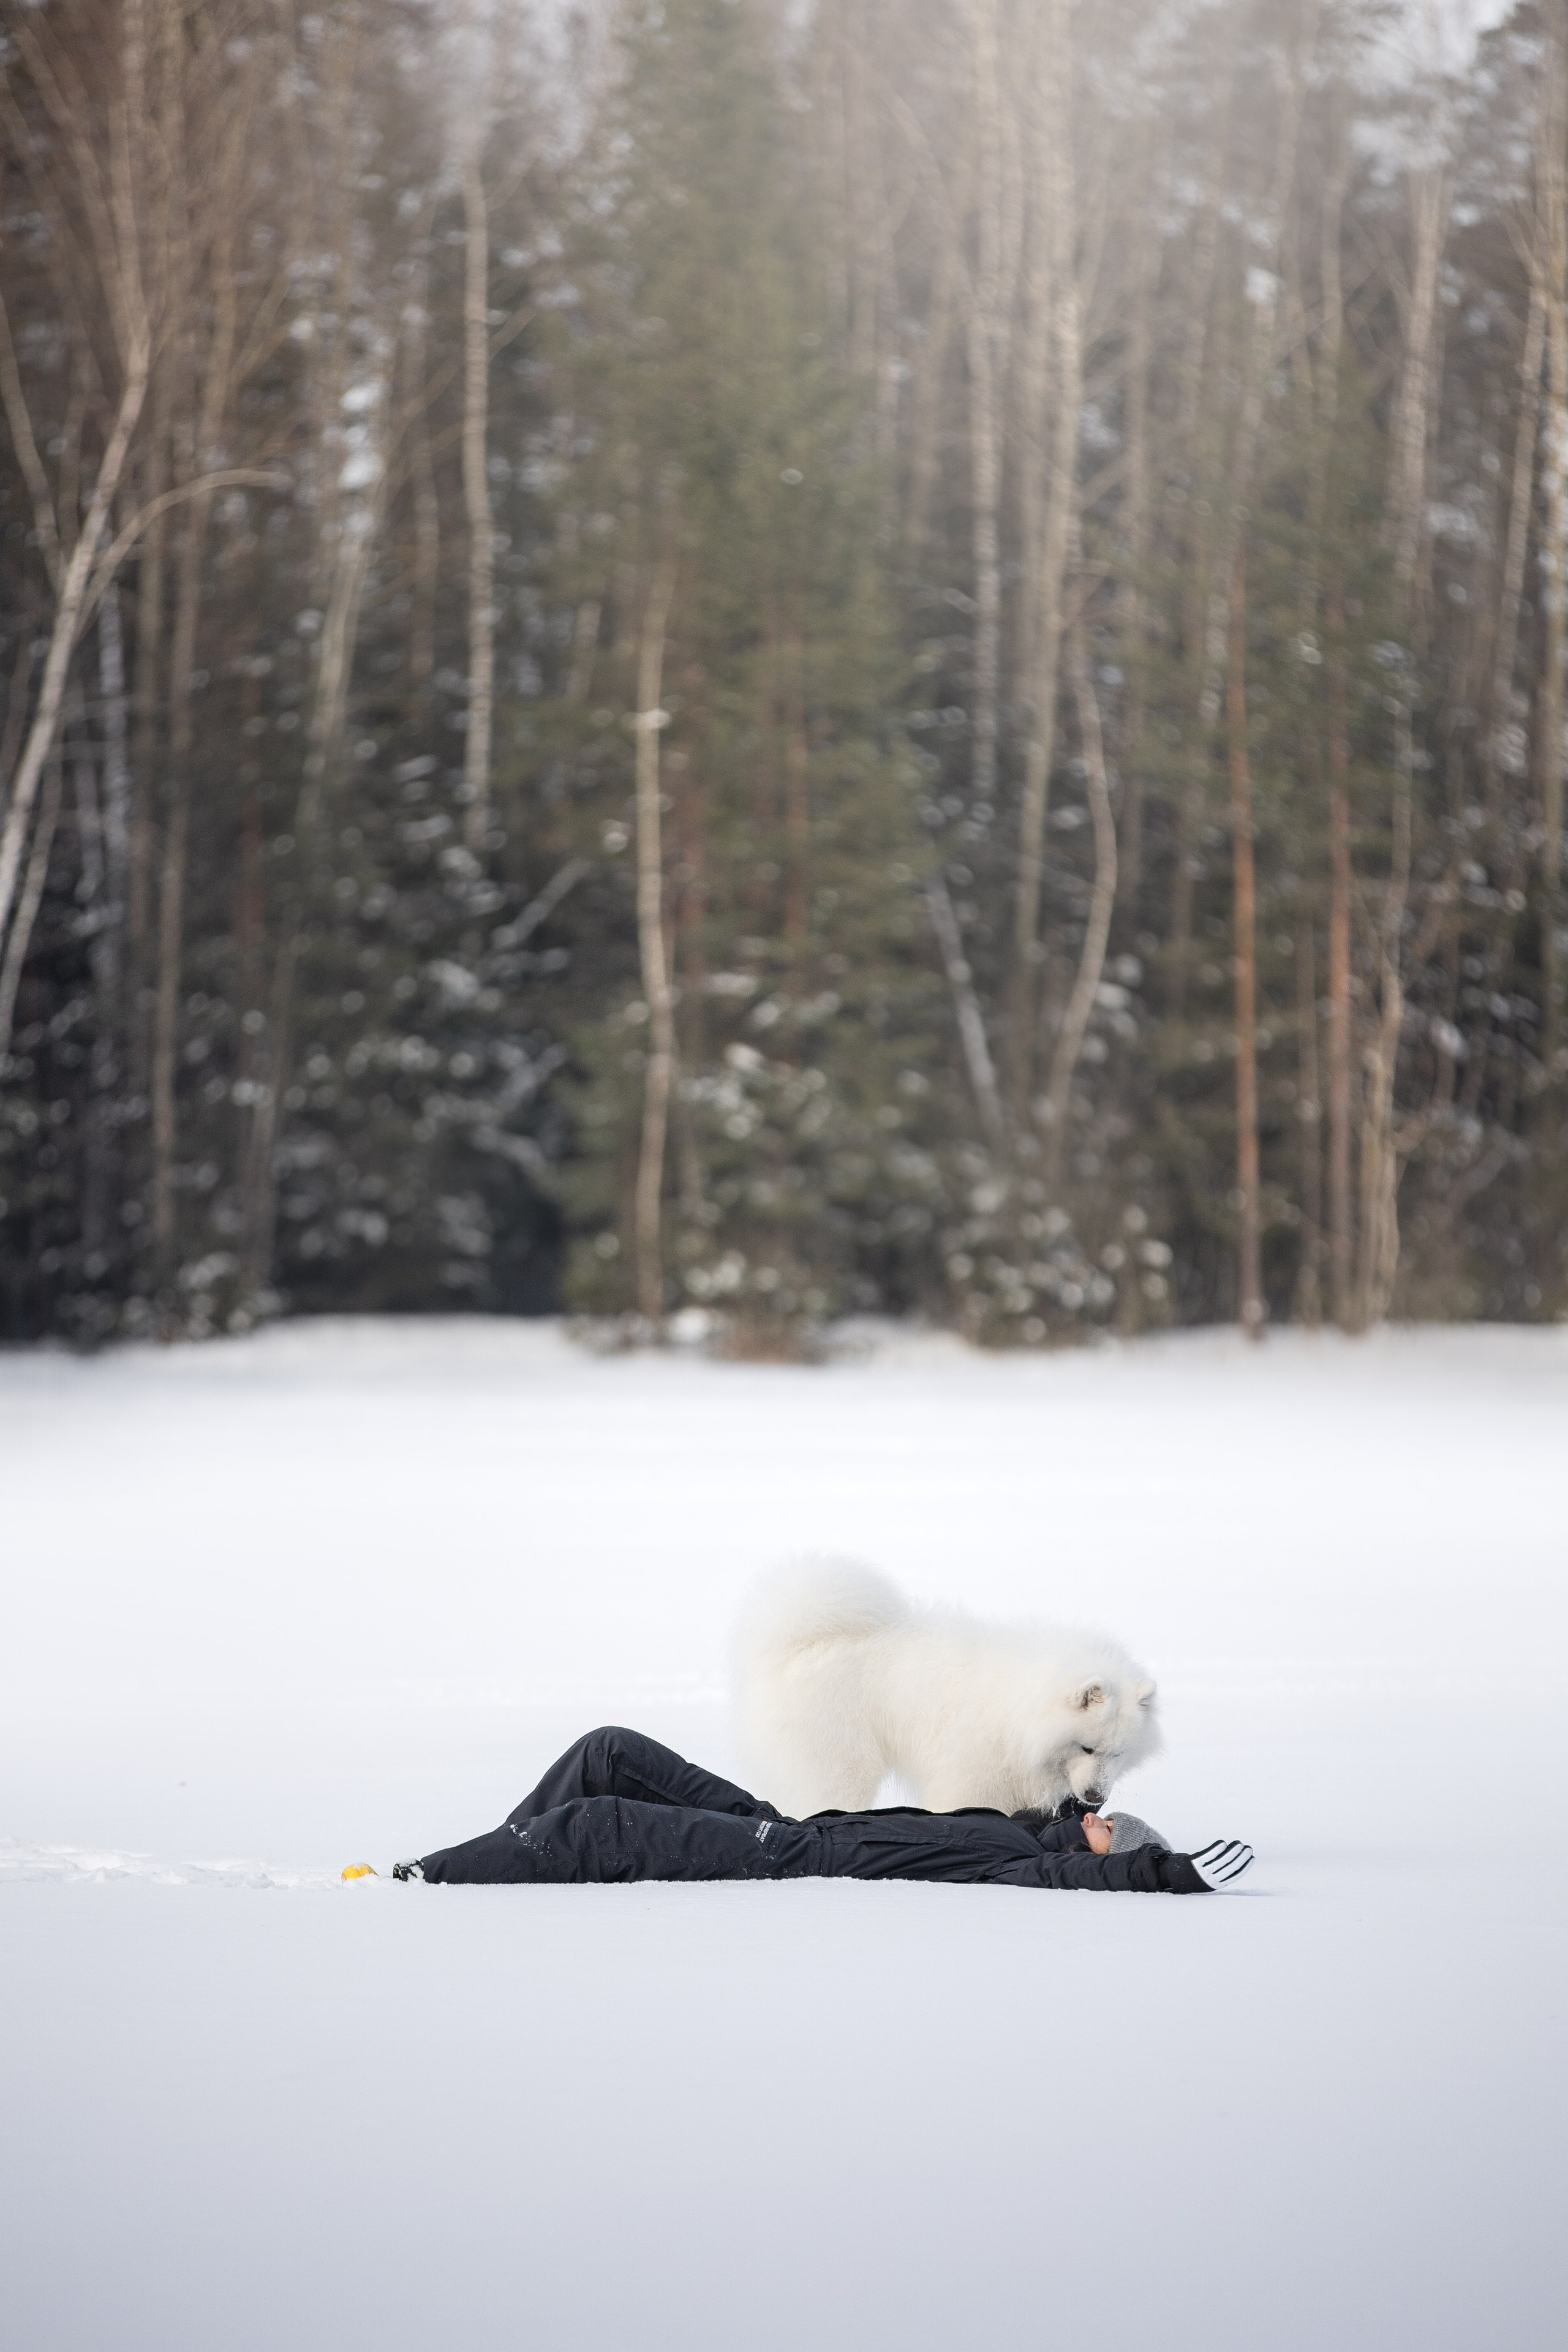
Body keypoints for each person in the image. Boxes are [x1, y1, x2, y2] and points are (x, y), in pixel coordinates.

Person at [343, 1726, 1253, 1894]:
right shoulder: (1014, 1826)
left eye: (1111, 1829)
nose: (1102, 1816)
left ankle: (419, 1884)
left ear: (1105, 1854)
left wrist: (1163, 1871)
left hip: (783, 1858)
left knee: (593, 1827)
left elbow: (1090, 1874)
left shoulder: (1022, 1865)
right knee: (608, 1752)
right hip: (786, 1821)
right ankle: (494, 1862)